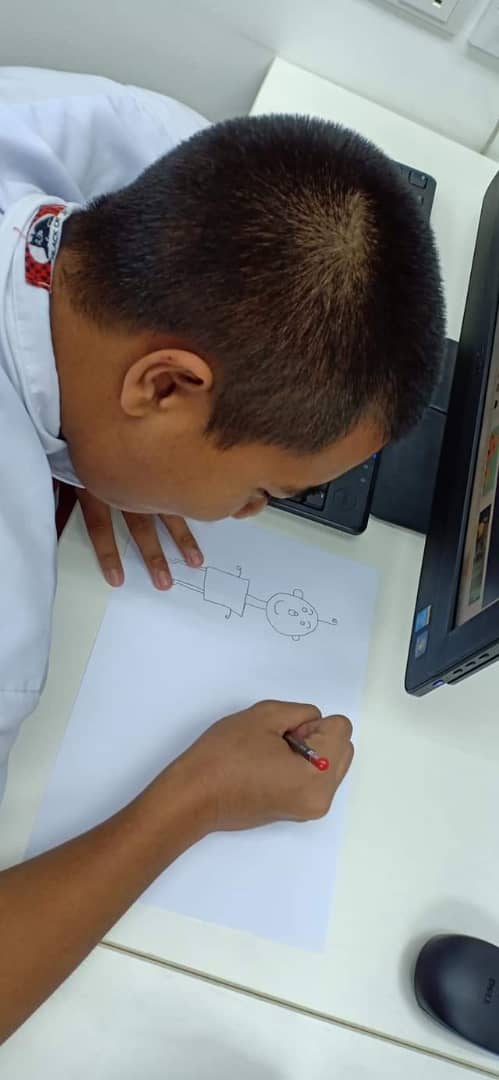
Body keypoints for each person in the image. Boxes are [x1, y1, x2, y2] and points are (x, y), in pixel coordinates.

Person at [0, 69, 445, 1041]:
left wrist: (96, 437)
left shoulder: (113, 138)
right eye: (266, 490)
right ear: (164, 387)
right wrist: (192, 800)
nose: (244, 515)